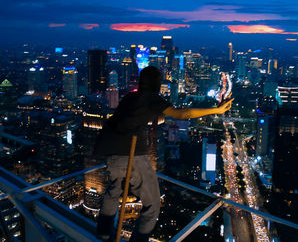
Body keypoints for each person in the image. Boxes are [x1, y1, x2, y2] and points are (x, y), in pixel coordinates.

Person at [94, 66, 233, 242]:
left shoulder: (130, 97)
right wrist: (216, 110)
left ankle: (103, 233)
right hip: (132, 153)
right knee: (152, 204)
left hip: (111, 152)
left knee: (113, 191)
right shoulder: (152, 99)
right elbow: (182, 114)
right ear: (157, 83)